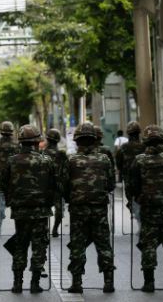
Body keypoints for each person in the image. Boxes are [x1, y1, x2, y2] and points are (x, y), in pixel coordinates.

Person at [0, 125, 58, 293]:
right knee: (39, 246)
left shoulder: (12, 161)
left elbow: (2, 185)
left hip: (20, 211)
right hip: (41, 211)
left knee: (20, 245)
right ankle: (35, 283)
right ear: (38, 142)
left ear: (20, 141)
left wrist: (12, 199)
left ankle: (17, 283)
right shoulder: (47, 161)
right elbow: (56, 185)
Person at [127, 125, 163, 293]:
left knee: (148, 246)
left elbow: (133, 186)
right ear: (162, 140)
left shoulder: (139, 160)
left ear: (146, 141)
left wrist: (136, 198)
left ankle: (149, 283)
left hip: (149, 211)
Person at [61, 122, 116, 294]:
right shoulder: (104, 159)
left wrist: (71, 198)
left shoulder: (71, 160)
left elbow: (63, 185)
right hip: (99, 208)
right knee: (104, 245)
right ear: (94, 140)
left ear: (77, 140)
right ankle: (108, 282)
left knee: (78, 245)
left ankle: (77, 282)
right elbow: (112, 184)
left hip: (78, 209)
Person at [115, 121, 146, 225]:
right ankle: (141, 219)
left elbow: (118, 163)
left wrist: (123, 172)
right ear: (139, 132)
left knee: (132, 199)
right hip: (143, 178)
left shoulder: (123, 148)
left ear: (128, 133)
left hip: (128, 178)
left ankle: (138, 217)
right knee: (143, 198)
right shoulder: (144, 146)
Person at [42, 128, 68, 237]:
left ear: (47, 140)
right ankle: (55, 229)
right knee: (59, 211)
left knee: (44, 209)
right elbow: (67, 171)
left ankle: (45, 229)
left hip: (45, 187)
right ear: (57, 141)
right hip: (58, 187)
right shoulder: (61, 154)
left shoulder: (42, 153)